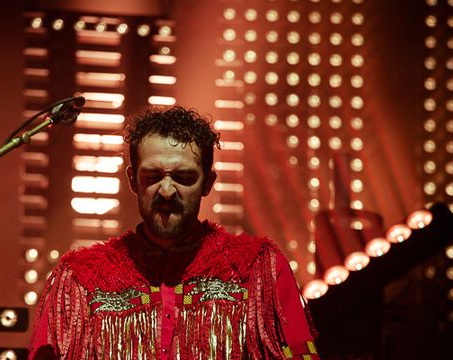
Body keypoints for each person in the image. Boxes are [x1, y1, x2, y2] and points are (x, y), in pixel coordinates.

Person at [28, 106, 319, 359]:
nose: (166, 191)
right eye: (153, 177)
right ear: (132, 180)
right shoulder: (80, 279)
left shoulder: (257, 270)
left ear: (208, 182)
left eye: (183, 178)